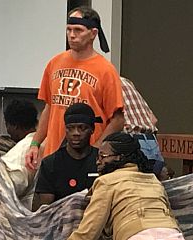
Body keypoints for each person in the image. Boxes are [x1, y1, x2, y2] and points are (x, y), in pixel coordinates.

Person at [45, 132, 189, 240]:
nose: (97, 162)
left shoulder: (107, 182)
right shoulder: (152, 180)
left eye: (102, 156)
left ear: (120, 157)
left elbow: (87, 232)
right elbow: (172, 219)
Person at [25, 6, 124, 170]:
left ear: (93, 34)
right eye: (69, 30)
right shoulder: (54, 63)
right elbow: (50, 106)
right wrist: (35, 143)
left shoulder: (105, 70)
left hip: (86, 157)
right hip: (54, 156)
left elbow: (117, 120)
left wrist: (97, 150)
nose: (72, 35)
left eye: (78, 30)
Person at [33, 103, 100, 208]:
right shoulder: (51, 163)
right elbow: (43, 211)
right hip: (60, 221)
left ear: (92, 130)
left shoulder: (101, 161)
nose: (76, 133)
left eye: (82, 128)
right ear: (65, 129)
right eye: (70, 128)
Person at [121, 76, 165, 176]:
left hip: (127, 142)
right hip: (150, 142)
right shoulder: (125, 81)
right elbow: (153, 119)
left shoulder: (103, 83)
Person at [1, 99, 39, 210]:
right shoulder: (47, 142)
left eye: (7, 125)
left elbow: (9, 190)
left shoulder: (18, 153)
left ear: (15, 126)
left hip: (23, 215)